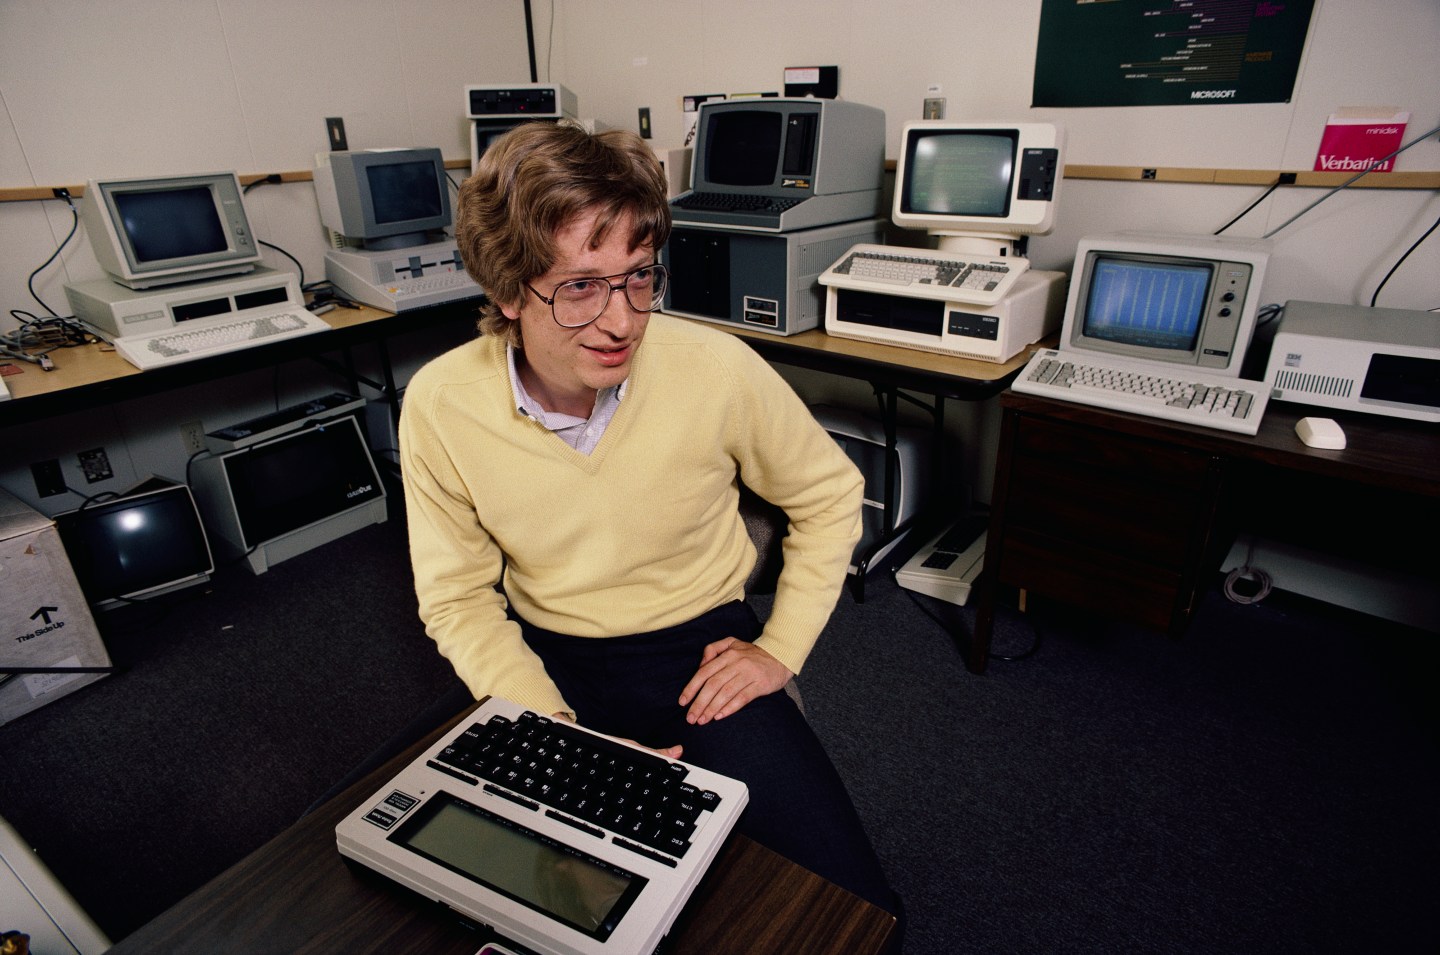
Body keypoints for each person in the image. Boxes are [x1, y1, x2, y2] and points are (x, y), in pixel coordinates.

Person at [399, 120, 897, 917]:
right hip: (545, 663)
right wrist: (553, 730)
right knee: (526, 904)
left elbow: (830, 494)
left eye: (638, 277)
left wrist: (780, 648)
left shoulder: (715, 366)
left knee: (851, 910)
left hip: (698, 654)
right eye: (579, 286)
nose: (623, 319)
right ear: (507, 291)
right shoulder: (441, 402)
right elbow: (457, 599)